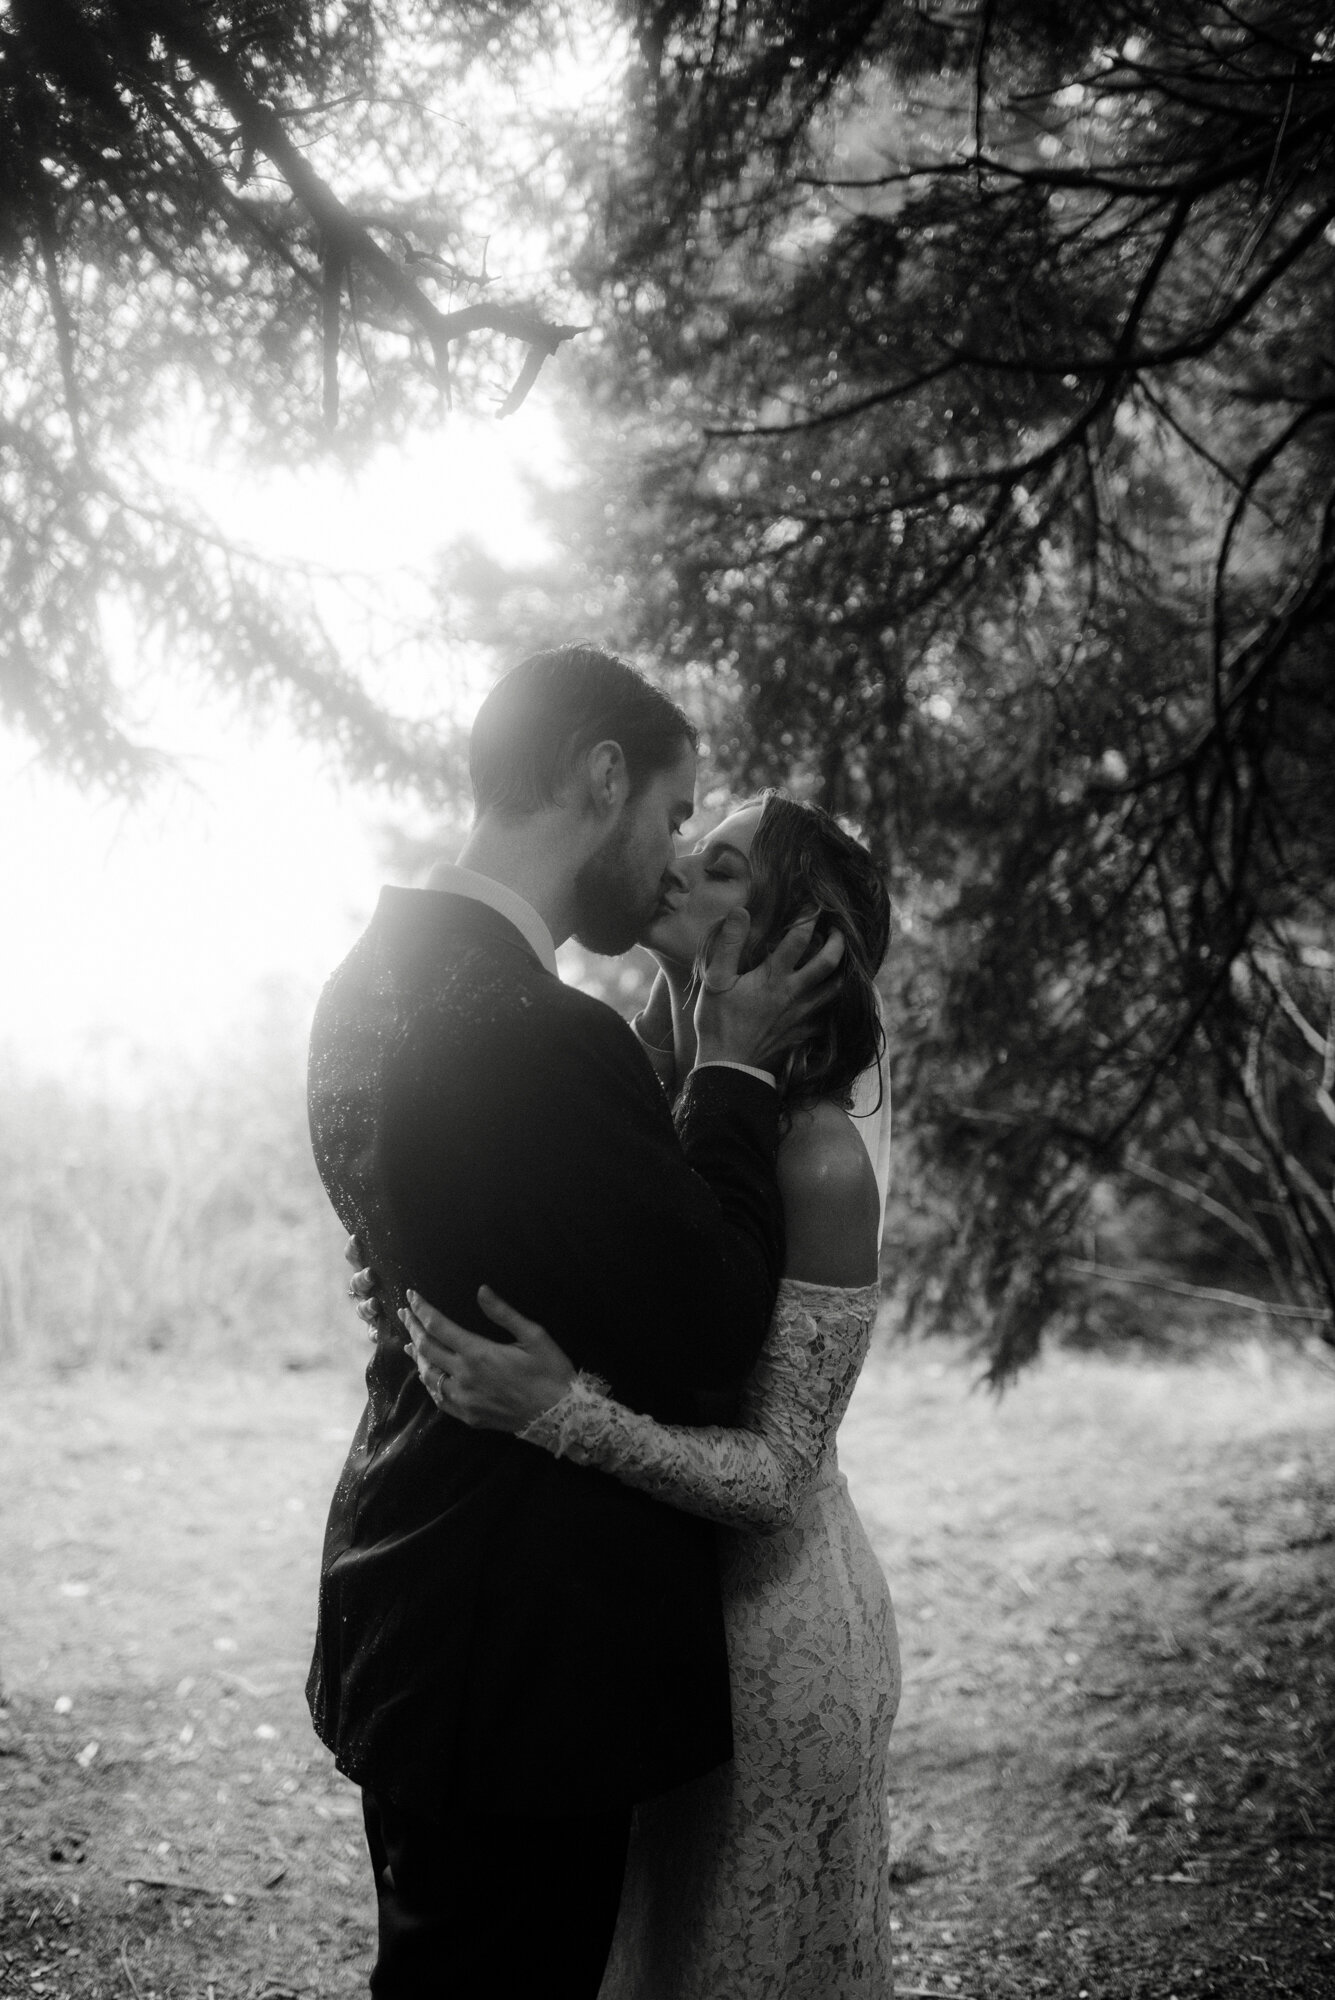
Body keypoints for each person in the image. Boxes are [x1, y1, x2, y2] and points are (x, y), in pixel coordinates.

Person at [305, 645, 844, 2000]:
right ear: (602, 776)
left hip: (406, 1605)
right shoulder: (543, 1033)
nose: (670, 860)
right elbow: (710, 1325)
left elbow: (433, 1243)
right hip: (523, 1660)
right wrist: (727, 1065)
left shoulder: (359, 983)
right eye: (671, 816)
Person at [387, 790, 902, 1998]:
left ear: (795, 943)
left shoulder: (819, 1158)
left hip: (772, 1635)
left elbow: (777, 1473)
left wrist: (560, 1408)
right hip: (632, 1630)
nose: (674, 866)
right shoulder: (650, 1090)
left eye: (720, 866)